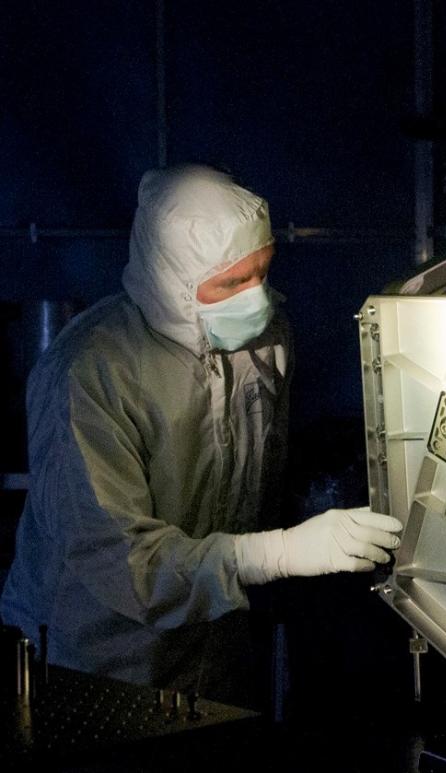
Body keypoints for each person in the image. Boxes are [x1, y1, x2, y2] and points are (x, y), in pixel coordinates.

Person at [0, 164, 401, 704]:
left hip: (216, 662)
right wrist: (276, 555)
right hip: (98, 667)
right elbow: (125, 567)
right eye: (232, 282)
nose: (255, 297)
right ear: (173, 278)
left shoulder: (264, 338)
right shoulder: (90, 374)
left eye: (262, 271)